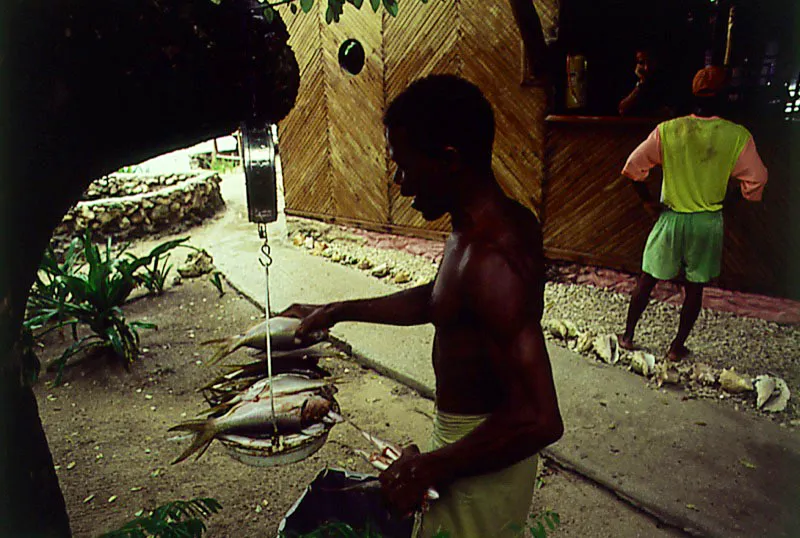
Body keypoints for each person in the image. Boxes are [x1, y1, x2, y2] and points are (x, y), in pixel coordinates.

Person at [280, 75, 564, 537]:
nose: (399, 183)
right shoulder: (475, 229)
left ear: (449, 160)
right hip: (465, 443)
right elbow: (441, 300)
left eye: (403, 165)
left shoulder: (494, 259)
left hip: (485, 456)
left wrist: (430, 467)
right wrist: (335, 310)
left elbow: (539, 418)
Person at [617, 66, 768, 361]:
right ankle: (675, 348)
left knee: (647, 279)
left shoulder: (668, 130)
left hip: (671, 217)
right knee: (694, 288)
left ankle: (628, 335)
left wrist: (648, 201)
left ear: (693, 93)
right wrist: (730, 202)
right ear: (725, 96)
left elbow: (632, 168)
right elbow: (757, 179)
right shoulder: (738, 136)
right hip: (707, 222)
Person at [618, 48, 672, 117]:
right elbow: (622, 109)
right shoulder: (627, 80)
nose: (646, 67)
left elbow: (668, 111)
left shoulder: (664, 81)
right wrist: (641, 84)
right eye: (641, 63)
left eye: (650, 62)